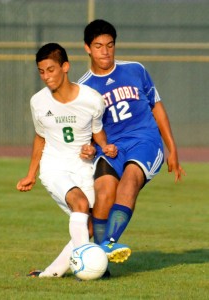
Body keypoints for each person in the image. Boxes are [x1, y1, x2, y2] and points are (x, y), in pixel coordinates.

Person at [79, 19, 186, 263]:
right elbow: (86, 131)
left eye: (110, 45)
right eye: (98, 46)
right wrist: (88, 149)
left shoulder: (136, 70)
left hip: (144, 140)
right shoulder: (83, 88)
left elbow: (157, 107)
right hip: (111, 147)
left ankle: (107, 244)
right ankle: (99, 263)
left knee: (129, 181)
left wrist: (173, 149)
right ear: (87, 48)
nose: (105, 52)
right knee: (104, 194)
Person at [16, 42, 117, 278]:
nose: (46, 77)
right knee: (80, 204)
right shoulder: (38, 102)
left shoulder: (92, 99)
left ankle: (51, 272)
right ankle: (88, 266)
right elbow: (40, 138)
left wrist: (100, 148)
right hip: (54, 168)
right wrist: (31, 174)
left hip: (82, 169)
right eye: (41, 71)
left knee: (91, 224)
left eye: (51, 70)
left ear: (65, 67)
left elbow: (97, 132)